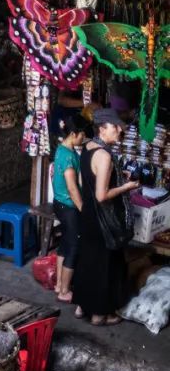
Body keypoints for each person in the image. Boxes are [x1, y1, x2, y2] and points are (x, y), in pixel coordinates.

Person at [73, 109, 140, 326]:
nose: (119, 130)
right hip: (103, 219)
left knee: (89, 261)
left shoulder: (88, 148)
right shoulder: (104, 156)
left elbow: (88, 185)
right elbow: (102, 195)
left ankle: (83, 306)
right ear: (102, 128)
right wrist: (126, 187)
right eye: (115, 126)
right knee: (105, 265)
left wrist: (118, 178)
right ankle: (100, 315)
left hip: (89, 215)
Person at [51, 115, 88, 303]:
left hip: (59, 204)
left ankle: (59, 284)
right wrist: (83, 209)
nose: (84, 138)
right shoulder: (69, 156)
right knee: (74, 247)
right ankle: (64, 291)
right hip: (69, 207)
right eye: (82, 135)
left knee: (65, 243)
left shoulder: (62, 149)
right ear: (73, 134)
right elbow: (72, 187)